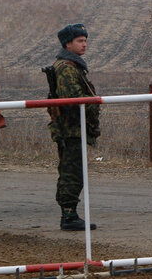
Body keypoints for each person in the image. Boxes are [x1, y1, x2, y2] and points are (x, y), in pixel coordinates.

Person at [49, 23, 101, 231]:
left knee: (73, 170)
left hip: (74, 127)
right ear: (67, 44)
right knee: (73, 171)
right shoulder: (66, 68)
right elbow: (73, 98)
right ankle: (68, 215)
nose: (84, 45)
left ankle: (69, 213)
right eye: (80, 41)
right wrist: (92, 102)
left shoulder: (71, 66)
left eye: (85, 40)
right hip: (71, 127)